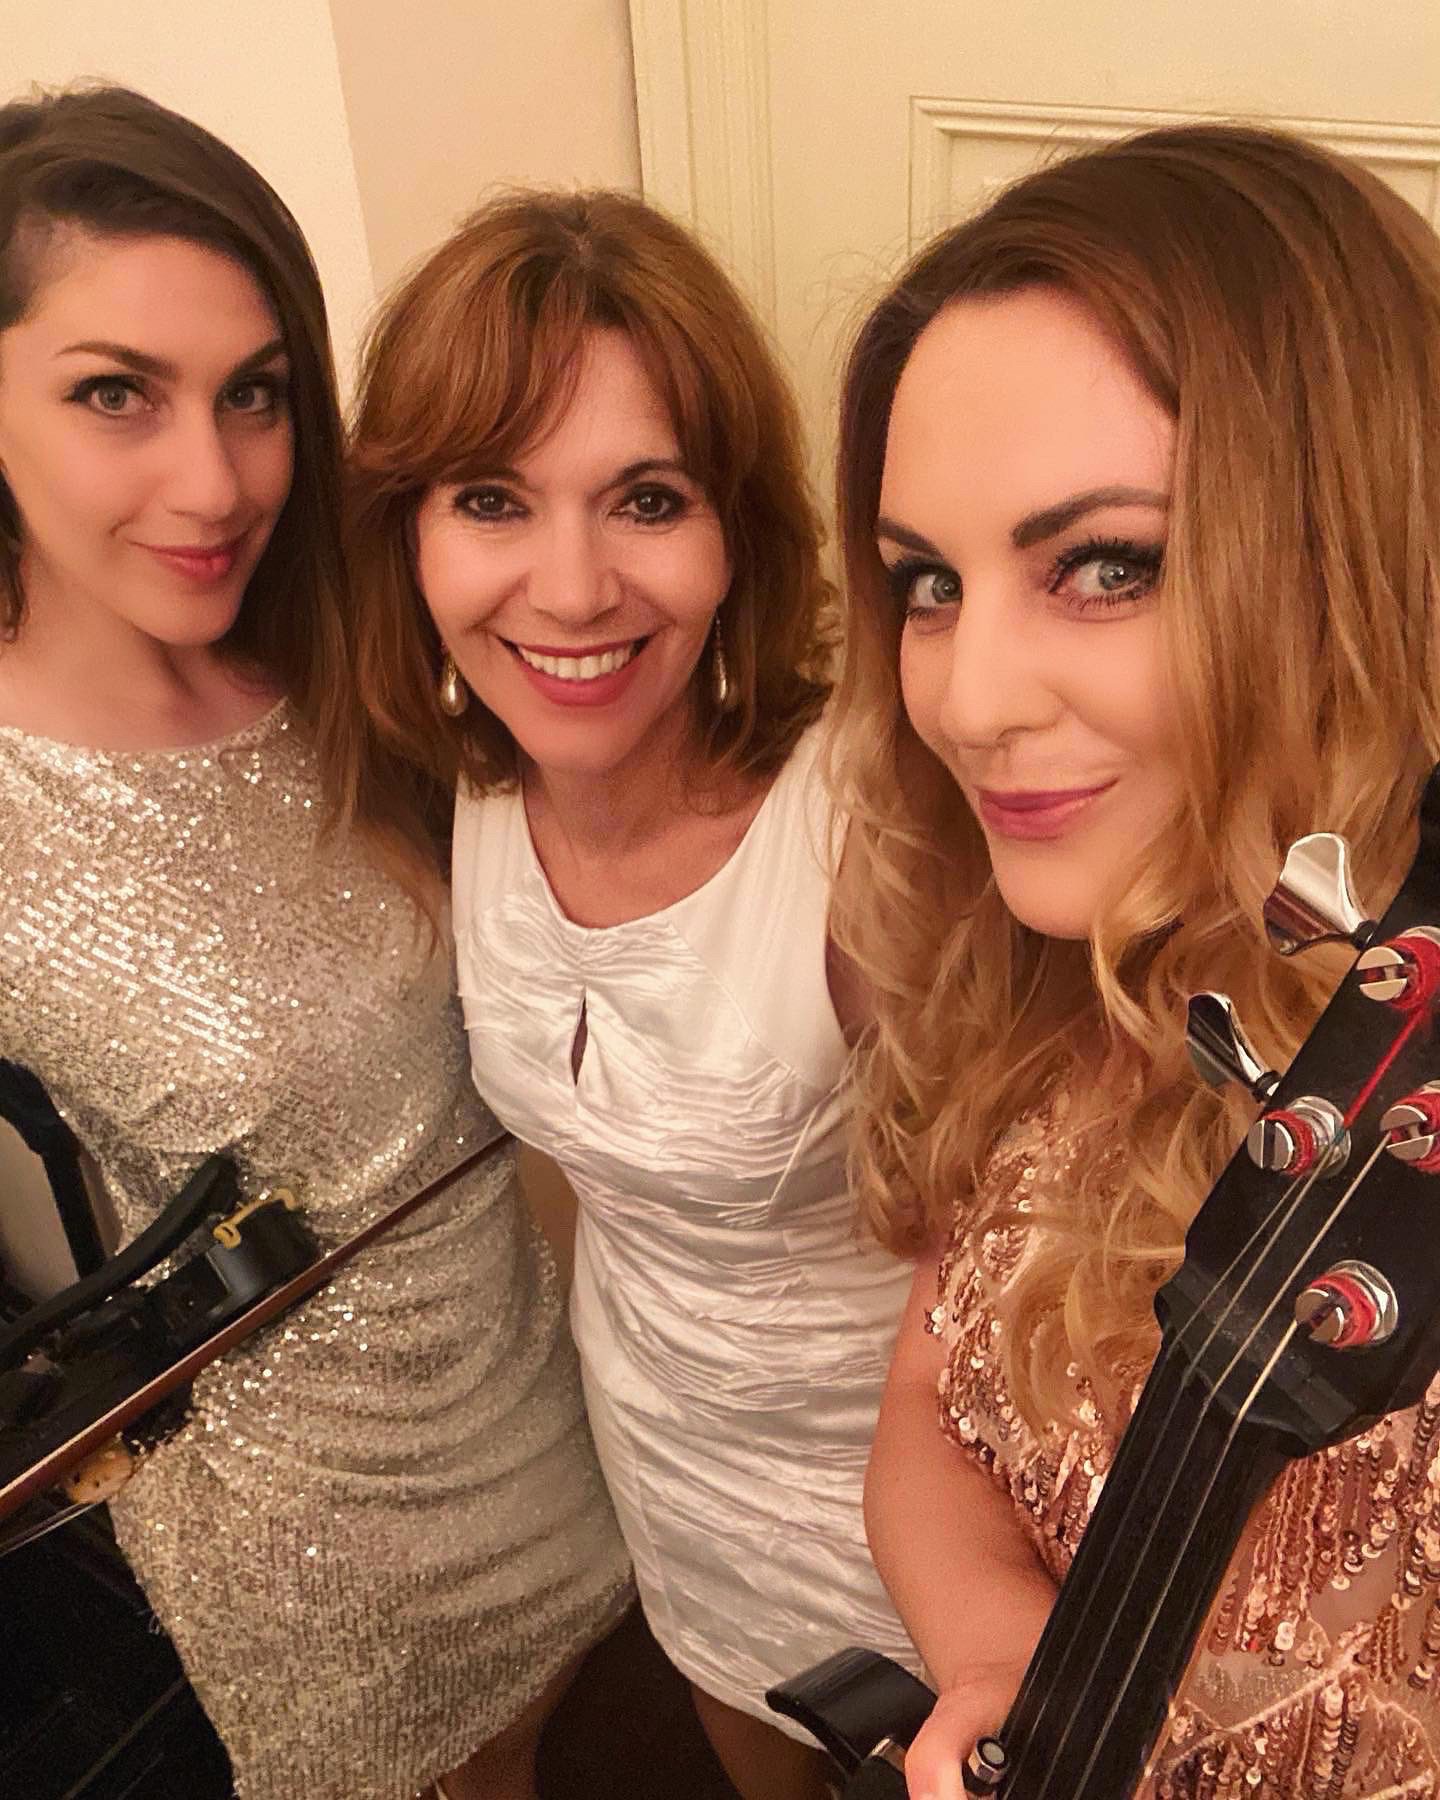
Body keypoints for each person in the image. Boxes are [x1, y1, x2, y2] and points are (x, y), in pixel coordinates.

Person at [0, 87, 629, 1800]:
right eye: (115, 394)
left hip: (543, 1393)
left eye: (256, 394)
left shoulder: (348, 647)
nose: (215, 482)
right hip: (311, 1538)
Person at [830, 123, 1440, 1799]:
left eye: (1107, 567)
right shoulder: (1049, 968)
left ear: (1357, 562)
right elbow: (925, 1401)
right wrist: (1002, 1654)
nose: (965, 701)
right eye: (928, 582)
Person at [346, 189, 919, 1800]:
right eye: (493, 500)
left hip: (901, 1484)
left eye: (646, 499)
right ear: (409, 536)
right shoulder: (462, 788)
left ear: (737, 535)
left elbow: (1008, 1262)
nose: (574, 588)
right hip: (658, 1452)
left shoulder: (866, 832)